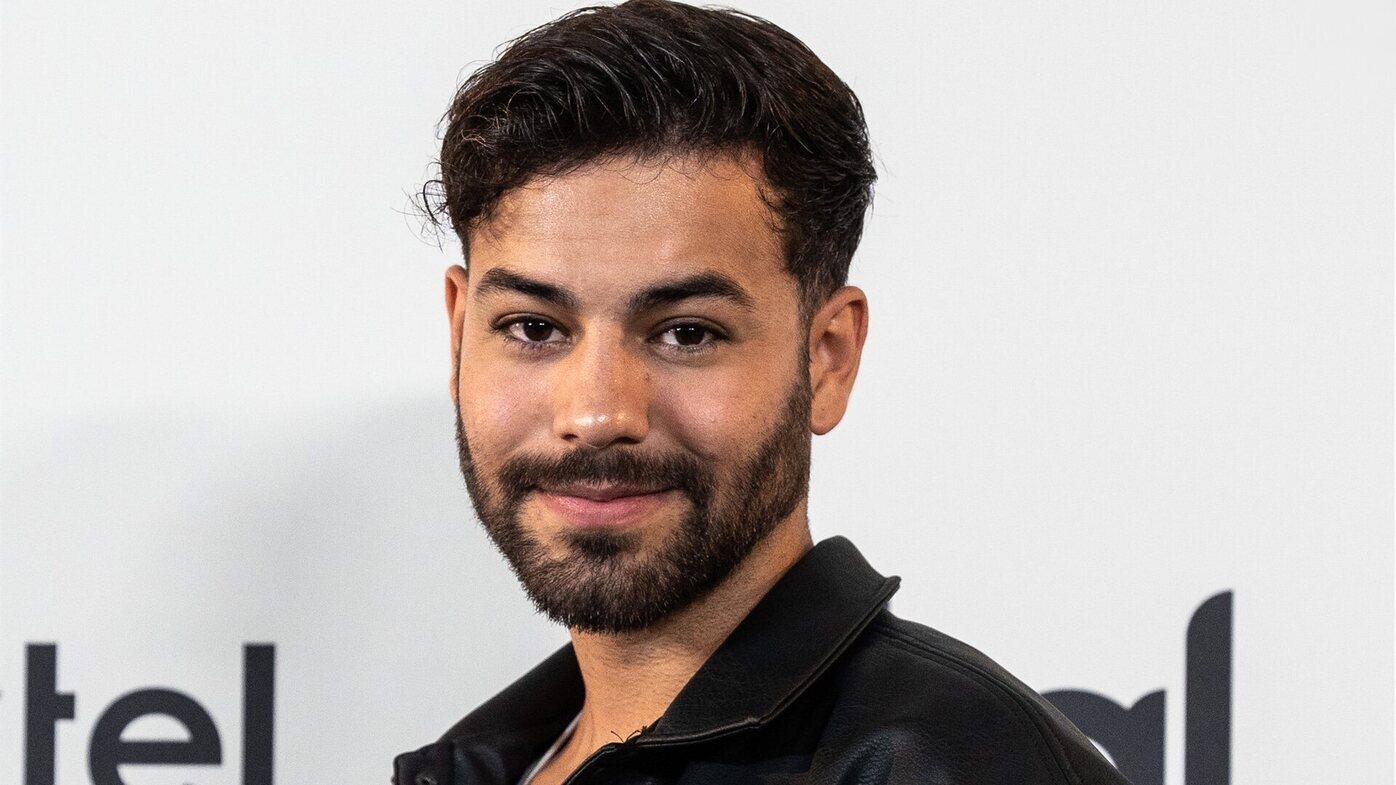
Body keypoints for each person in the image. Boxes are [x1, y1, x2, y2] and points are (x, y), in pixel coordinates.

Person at [394, 1, 1132, 783]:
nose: (597, 413)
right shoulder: (482, 763)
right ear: (460, 334)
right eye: (534, 327)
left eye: (687, 333)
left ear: (828, 359)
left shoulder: (951, 765)